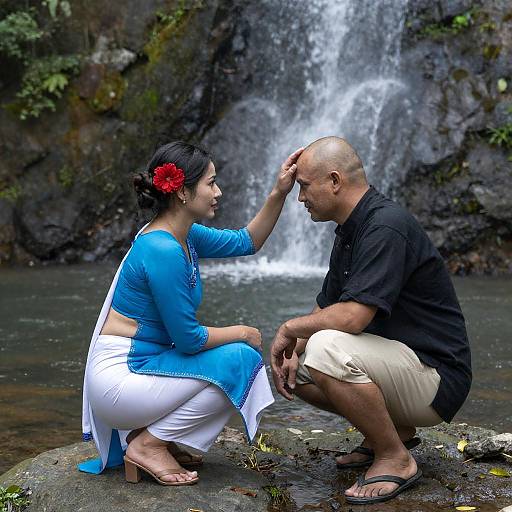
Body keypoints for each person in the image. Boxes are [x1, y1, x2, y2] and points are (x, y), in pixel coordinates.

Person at [79, 140, 303, 486]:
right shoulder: (162, 249)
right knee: (241, 359)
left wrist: (279, 192)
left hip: (143, 365)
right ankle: (149, 444)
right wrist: (243, 332)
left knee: (235, 360)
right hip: (122, 376)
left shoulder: (184, 234)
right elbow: (188, 340)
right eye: (211, 183)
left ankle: (160, 439)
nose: (219, 191)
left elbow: (247, 242)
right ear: (182, 192)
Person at [270, 136, 472, 505]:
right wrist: (290, 349)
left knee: (325, 347)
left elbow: (352, 317)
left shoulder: (385, 226)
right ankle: (392, 432)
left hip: (436, 376)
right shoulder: (350, 228)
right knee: (291, 366)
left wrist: (289, 329)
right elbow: (326, 306)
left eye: (304, 187)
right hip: (401, 367)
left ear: (334, 181)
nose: (300, 199)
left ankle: (395, 456)